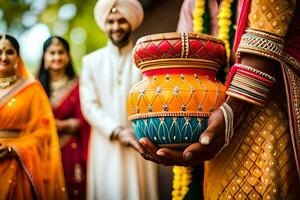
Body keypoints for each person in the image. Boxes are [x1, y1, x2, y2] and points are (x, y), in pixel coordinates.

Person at [139, 0, 300, 199]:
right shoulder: (192, 4)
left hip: (265, 117)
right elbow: (182, 59)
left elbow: (267, 35)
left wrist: (231, 113)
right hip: (212, 122)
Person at [80, 0, 158, 199]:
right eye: (111, 21)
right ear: (104, 24)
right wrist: (116, 131)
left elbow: (153, 101)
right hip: (106, 143)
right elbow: (89, 105)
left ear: (131, 22)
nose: (116, 27)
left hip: (139, 141)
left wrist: (137, 131)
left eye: (121, 21)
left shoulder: (145, 61)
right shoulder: (91, 62)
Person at [0, 33, 67, 199]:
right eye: (0, 52)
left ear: (18, 57)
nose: (3, 57)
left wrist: (15, 149)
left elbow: (44, 132)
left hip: (16, 166)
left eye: (9, 52)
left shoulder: (31, 89)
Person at [37, 36, 90, 200]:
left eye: (61, 52)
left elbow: (85, 118)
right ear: (44, 57)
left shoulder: (80, 85)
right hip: (42, 150)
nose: (56, 57)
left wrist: (63, 125)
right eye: (52, 53)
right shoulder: (35, 87)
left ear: (67, 57)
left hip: (72, 149)